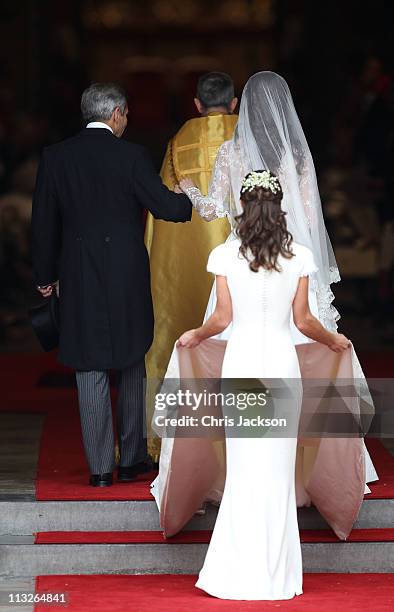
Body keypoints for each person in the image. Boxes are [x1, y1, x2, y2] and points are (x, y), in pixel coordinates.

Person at [150, 71, 377, 528]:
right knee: (309, 370)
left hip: (244, 266)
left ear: (243, 107)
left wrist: (187, 189)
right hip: (291, 268)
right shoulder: (297, 158)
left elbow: (214, 209)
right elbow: (309, 217)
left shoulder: (233, 153)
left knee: (240, 374)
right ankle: (311, 474)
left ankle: (242, 474)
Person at [176, 170, 349, 600]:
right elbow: (305, 321)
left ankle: (235, 572)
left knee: (245, 467)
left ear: (245, 207)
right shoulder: (300, 257)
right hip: (280, 364)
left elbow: (222, 320)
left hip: (243, 364)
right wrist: (334, 340)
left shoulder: (224, 256)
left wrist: (194, 335)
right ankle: (277, 575)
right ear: (279, 208)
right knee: (275, 470)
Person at [31, 83, 192, 487]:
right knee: (132, 355)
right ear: (117, 113)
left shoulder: (56, 157)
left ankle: (101, 468)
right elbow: (168, 209)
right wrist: (188, 193)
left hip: (77, 270)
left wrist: (44, 277)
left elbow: (44, 224)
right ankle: (133, 457)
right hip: (126, 271)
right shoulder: (132, 155)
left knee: (88, 364)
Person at [145, 71, 238, 461]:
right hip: (245, 263)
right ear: (234, 104)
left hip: (185, 269)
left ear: (197, 105)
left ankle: (170, 438)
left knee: (184, 329)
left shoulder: (175, 145)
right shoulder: (251, 138)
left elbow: (159, 220)